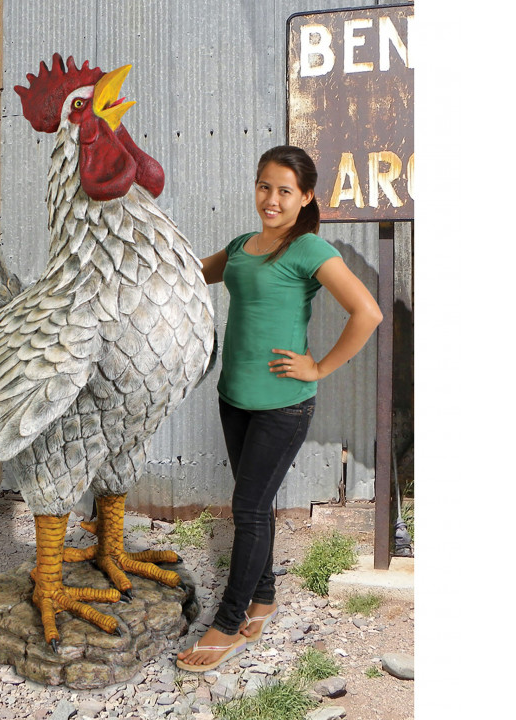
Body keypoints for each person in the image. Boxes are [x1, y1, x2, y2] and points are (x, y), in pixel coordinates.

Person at [176, 145, 383, 672]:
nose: (271, 199)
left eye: (284, 190)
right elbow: (191, 274)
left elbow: (367, 312)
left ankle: (227, 626)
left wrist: (318, 367)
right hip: (234, 399)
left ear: (306, 196)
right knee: (256, 506)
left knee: (246, 511)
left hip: (283, 408)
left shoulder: (309, 249)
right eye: (264, 186)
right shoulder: (243, 245)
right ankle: (264, 595)